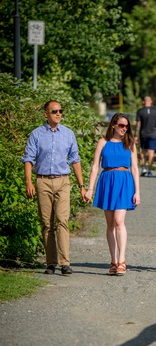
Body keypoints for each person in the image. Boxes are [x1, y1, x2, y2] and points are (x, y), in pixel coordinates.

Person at [21, 100, 86, 275]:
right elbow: (28, 159)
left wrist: (82, 186)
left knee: (62, 220)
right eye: (54, 111)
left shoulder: (68, 134)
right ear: (46, 114)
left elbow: (75, 160)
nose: (58, 114)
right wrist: (28, 182)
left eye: (60, 111)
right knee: (46, 223)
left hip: (63, 181)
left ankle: (65, 263)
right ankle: (51, 263)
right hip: (42, 181)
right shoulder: (36, 134)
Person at [84, 113, 140, 275]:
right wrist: (90, 188)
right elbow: (95, 166)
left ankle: (122, 259)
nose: (124, 129)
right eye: (122, 125)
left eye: (126, 126)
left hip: (124, 181)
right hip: (107, 180)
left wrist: (137, 191)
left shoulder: (129, 143)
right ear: (113, 125)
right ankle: (113, 261)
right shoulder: (103, 142)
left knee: (118, 221)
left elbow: (135, 168)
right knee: (110, 224)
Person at [134, 96, 156, 177]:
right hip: (153, 134)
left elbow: (138, 124)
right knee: (151, 152)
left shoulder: (140, 111)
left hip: (143, 134)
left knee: (143, 151)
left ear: (144, 102)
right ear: (151, 102)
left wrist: (136, 135)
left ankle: (144, 168)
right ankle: (149, 170)